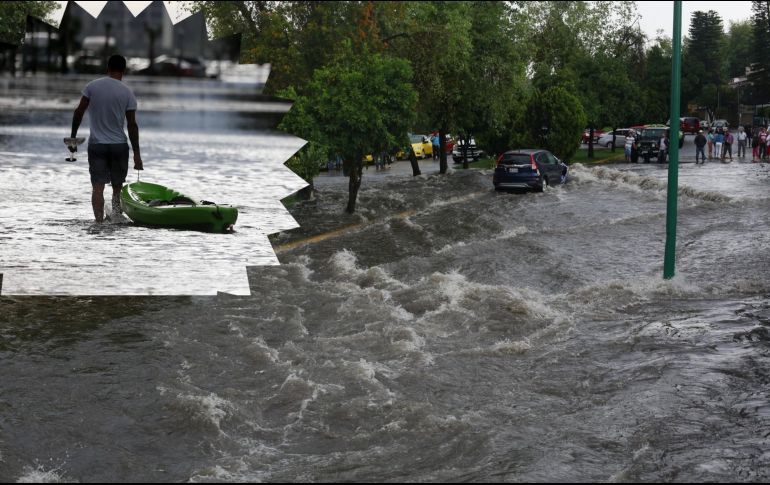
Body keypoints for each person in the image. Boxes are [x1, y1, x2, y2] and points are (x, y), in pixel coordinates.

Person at [70, 54, 142, 223]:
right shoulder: (128, 93)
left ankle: (99, 223)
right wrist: (137, 154)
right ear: (124, 70)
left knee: (97, 187)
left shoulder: (92, 87)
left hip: (97, 145)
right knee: (117, 188)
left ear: (107, 68)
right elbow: (132, 125)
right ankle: (116, 219)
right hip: (119, 146)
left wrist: (73, 138)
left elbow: (79, 112)